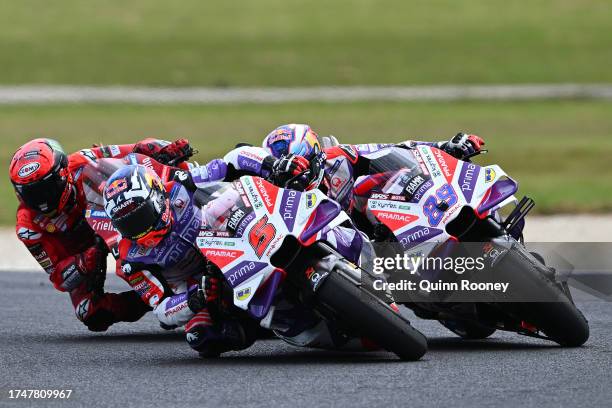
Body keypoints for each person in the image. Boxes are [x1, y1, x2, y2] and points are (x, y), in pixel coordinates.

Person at [9, 137, 193, 331]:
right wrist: (87, 259)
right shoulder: (28, 228)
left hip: (116, 220)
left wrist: (162, 150)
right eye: (30, 193)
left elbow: (135, 150)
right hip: (86, 250)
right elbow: (59, 279)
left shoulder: (81, 160)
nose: (41, 201)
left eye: (46, 189)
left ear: (62, 173)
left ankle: (206, 204)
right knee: (89, 312)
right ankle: (156, 299)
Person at [103, 164, 257, 356]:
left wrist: (265, 167)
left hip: (233, 244)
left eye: (140, 216)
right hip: (200, 284)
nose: (138, 228)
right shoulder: (130, 261)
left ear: (158, 197)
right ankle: (257, 324)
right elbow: (161, 309)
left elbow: (224, 165)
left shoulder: (181, 185)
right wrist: (194, 298)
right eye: (127, 224)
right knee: (201, 338)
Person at [185, 124, 486, 212]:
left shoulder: (339, 156)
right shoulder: (265, 187)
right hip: (324, 260)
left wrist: (446, 146)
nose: (297, 170)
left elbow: (398, 147)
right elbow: (235, 157)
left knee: (389, 179)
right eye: (289, 165)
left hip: (374, 237)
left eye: (301, 160)